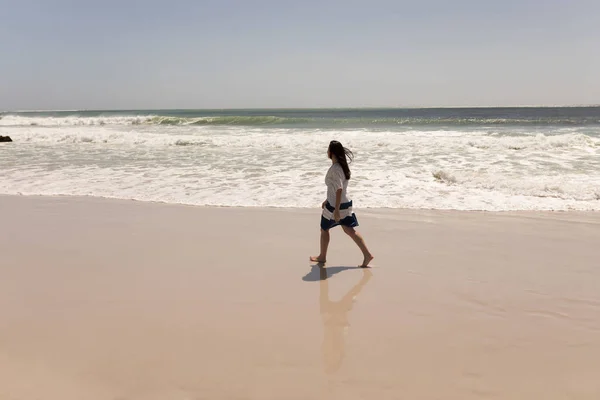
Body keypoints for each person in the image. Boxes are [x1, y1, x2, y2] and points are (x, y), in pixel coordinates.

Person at [310, 140, 374, 267]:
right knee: (349, 230)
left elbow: (338, 189)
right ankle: (367, 255)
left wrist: (336, 210)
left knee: (324, 229)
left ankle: (322, 257)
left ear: (331, 152)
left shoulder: (335, 169)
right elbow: (337, 188)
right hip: (344, 203)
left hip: (335, 206)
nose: (327, 152)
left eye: (328, 150)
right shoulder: (342, 166)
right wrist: (327, 199)